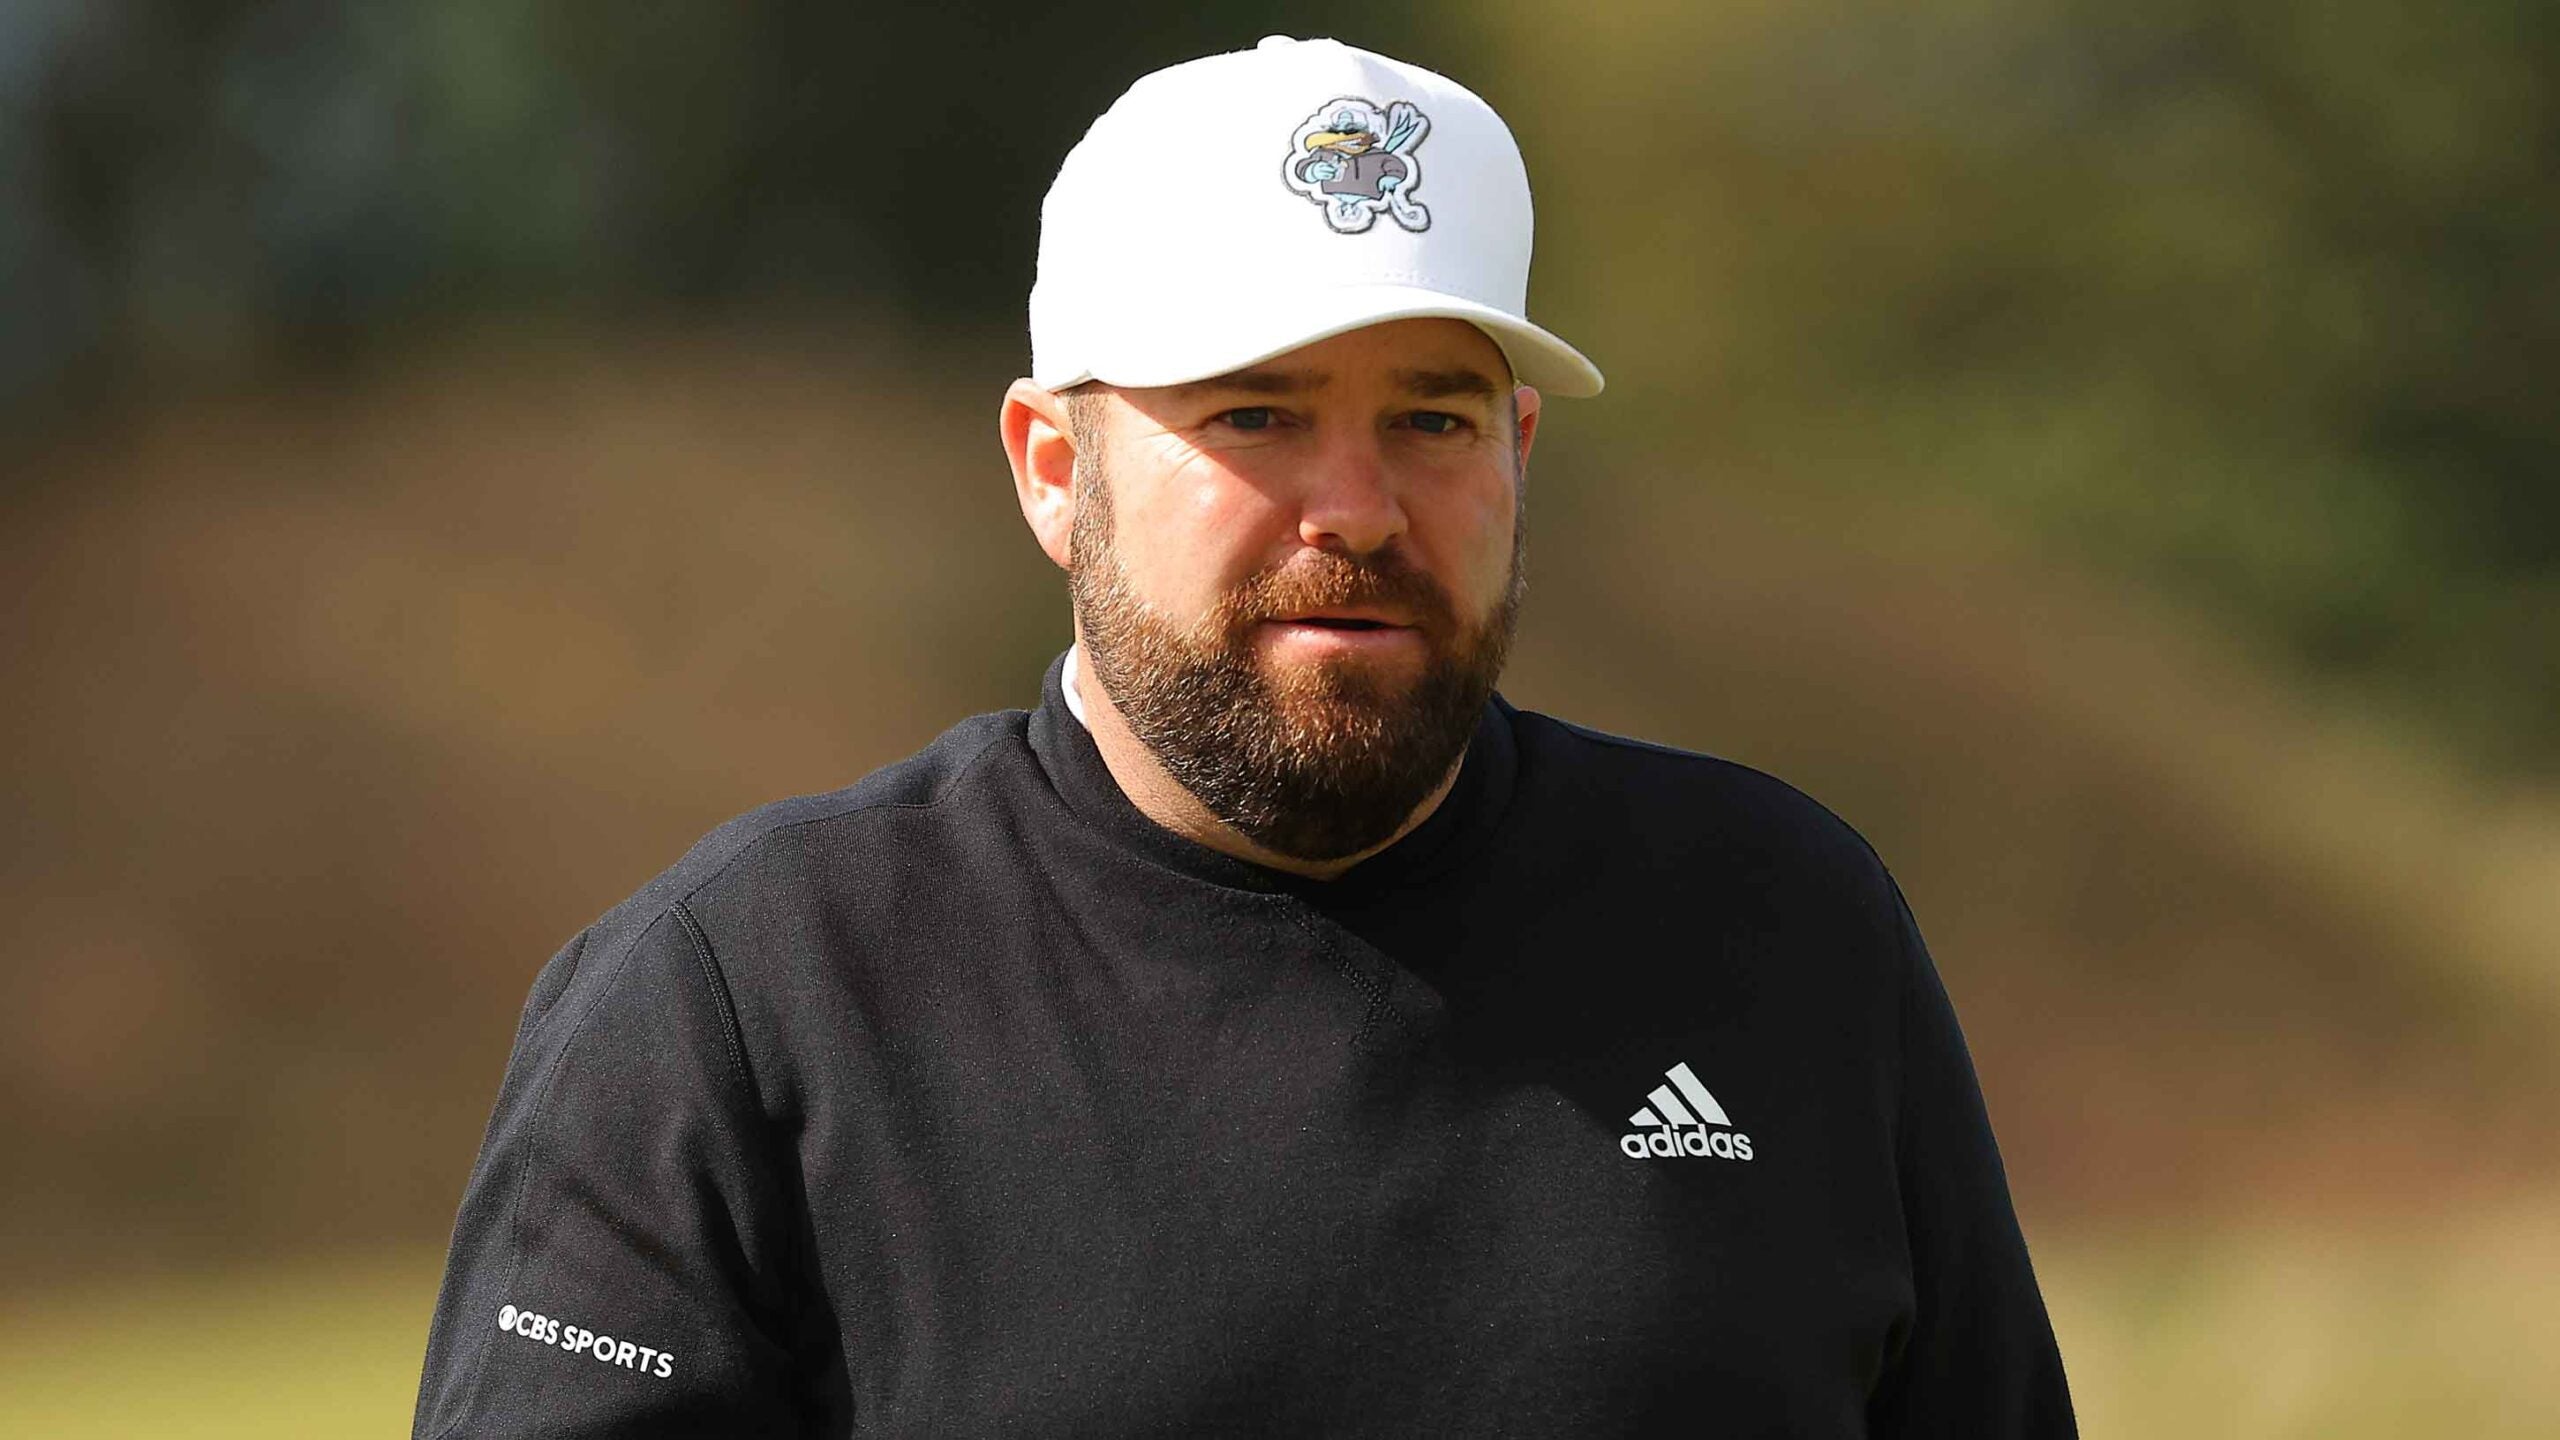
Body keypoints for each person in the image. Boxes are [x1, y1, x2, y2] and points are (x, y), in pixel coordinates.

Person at [413, 36, 2074, 1439]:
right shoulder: (749, 1000)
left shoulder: (1785, 926)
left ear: (1521, 450)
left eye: (1431, 415)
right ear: (1056, 472)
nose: (1355, 508)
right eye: (1253, 414)